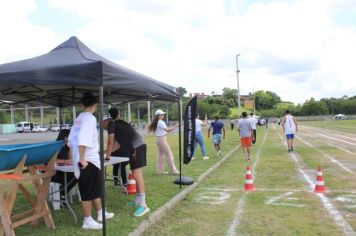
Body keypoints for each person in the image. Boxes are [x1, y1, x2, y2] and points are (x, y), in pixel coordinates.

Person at [68, 92, 114, 230]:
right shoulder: (90, 119)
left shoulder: (80, 118)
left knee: (95, 189)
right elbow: (83, 140)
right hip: (88, 161)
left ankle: (100, 213)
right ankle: (87, 220)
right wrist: (82, 159)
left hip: (86, 160)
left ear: (82, 104)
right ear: (95, 105)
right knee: (88, 191)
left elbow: (70, 141)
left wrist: (74, 159)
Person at [104, 108, 150, 217]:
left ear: (106, 121)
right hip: (137, 146)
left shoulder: (111, 125)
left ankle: (143, 205)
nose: (101, 126)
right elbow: (116, 146)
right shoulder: (118, 124)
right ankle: (138, 200)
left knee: (137, 175)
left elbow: (110, 142)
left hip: (136, 147)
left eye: (101, 123)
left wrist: (107, 156)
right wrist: (102, 152)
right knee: (135, 174)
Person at [148, 109, 180, 175]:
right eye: (162, 114)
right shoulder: (160, 122)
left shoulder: (158, 122)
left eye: (163, 114)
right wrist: (176, 125)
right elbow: (167, 130)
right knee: (169, 154)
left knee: (161, 156)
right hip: (161, 139)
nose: (163, 115)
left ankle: (160, 172)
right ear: (158, 116)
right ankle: (173, 170)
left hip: (159, 140)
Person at [103, 110, 129, 191]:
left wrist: (106, 153)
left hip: (120, 148)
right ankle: (121, 183)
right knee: (119, 165)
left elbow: (112, 142)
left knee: (119, 165)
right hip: (121, 148)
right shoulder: (119, 123)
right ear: (118, 114)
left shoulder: (112, 124)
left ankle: (120, 182)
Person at [51, 129, 78, 203]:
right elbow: (53, 160)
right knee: (73, 176)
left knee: (76, 175)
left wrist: (71, 146)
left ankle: (62, 192)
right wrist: (65, 161)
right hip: (53, 173)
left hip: (62, 171)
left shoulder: (67, 147)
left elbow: (71, 159)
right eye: (70, 137)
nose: (71, 138)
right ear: (64, 137)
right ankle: (62, 194)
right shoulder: (55, 146)